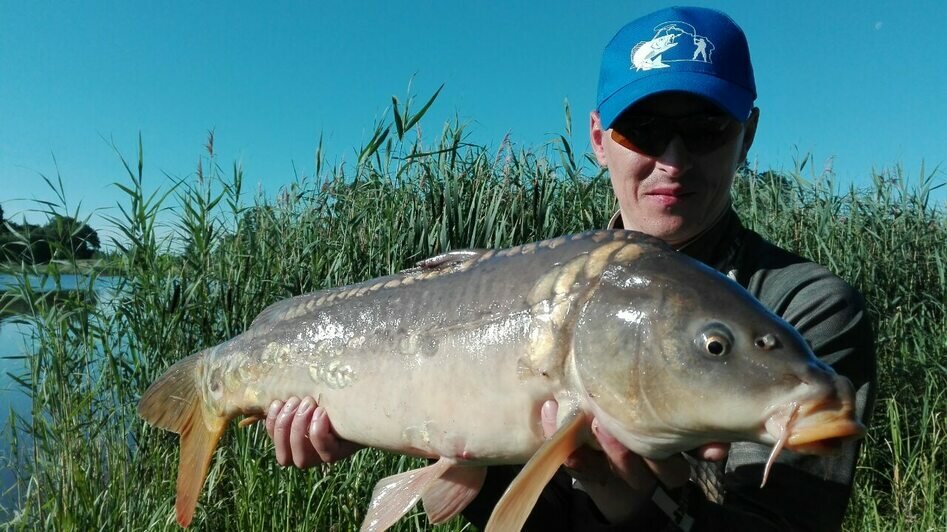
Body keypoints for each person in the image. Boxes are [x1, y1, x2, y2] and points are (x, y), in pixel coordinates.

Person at [264, 6, 875, 531]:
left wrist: (645, 509)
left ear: (748, 135)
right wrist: (388, 431)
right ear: (599, 137)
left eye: (706, 128)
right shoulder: (524, 291)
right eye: (643, 130)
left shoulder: (808, 308)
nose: (673, 159)